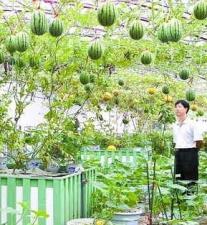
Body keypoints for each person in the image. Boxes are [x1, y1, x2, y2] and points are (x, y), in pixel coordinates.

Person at [173, 100, 203, 189]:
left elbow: (199, 141)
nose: (177, 109)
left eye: (179, 107)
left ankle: (191, 197)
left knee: (190, 177)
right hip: (178, 153)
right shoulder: (175, 124)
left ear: (186, 109)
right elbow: (175, 141)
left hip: (190, 153)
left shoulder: (192, 124)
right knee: (178, 175)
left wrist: (193, 151)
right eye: (176, 107)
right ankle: (180, 198)